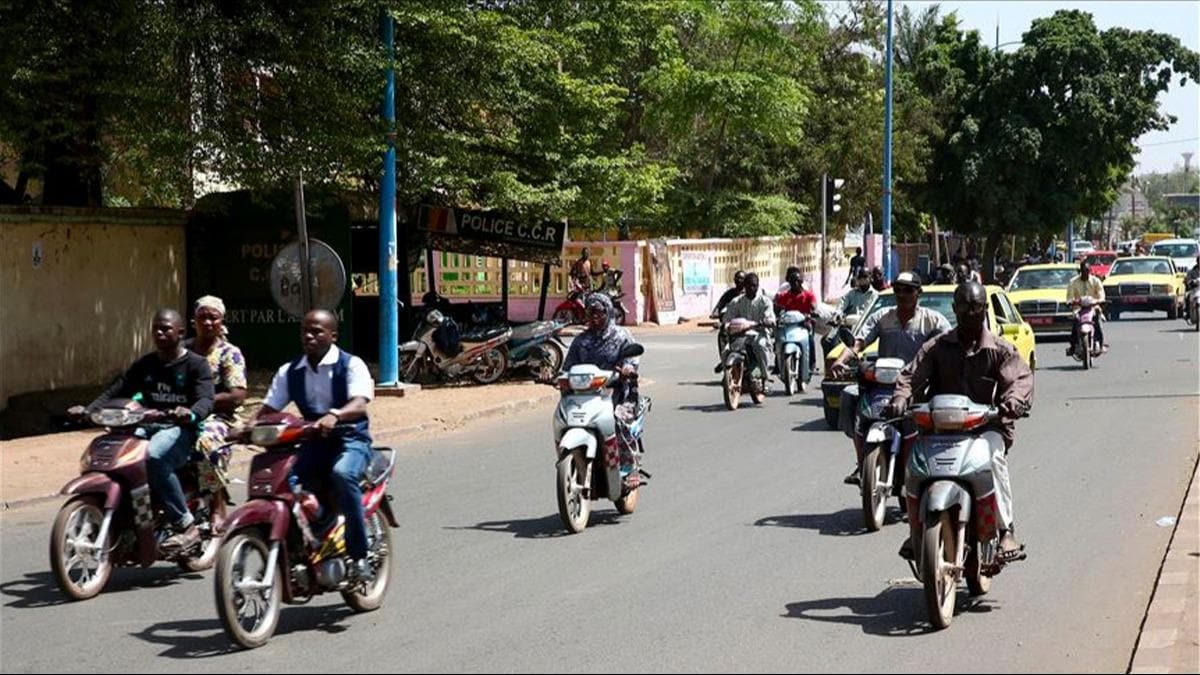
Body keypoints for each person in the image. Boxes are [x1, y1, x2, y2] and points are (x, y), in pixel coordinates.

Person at [888, 281, 1033, 562]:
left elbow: (1020, 379)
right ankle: (917, 528)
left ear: (985, 310)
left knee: (994, 459)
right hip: (939, 429)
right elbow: (910, 375)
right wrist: (901, 397)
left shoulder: (1001, 350)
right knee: (914, 465)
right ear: (955, 309)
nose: (969, 313)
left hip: (986, 429)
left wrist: (1012, 402)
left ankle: (1005, 530)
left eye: (975, 307)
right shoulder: (937, 347)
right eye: (963, 307)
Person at [68, 309, 214, 551]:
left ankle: (185, 524)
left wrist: (189, 413)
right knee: (116, 455)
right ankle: (126, 518)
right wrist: (88, 410)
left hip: (180, 429)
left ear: (180, 332)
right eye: (155, 328)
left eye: (165, 328)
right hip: (144, 425)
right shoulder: (146, 364)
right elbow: (117, 390)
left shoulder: (196, 365)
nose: (159, 332)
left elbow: (206, 400)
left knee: (154, 457)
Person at [257, 309, 377, 582]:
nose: (309, 336)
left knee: (343, 474)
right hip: (312, 442)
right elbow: (268, 408)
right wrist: (246, 428)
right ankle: (317, 525)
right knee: (282, 481)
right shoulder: (290, 371)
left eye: (317, 331)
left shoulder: (351, 364)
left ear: (333, 335)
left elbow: (359, 403)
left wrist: (335, 415)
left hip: (350, 439)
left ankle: (359, 557)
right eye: (305, 331)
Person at [829, 272, 951, 485]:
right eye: (898, 290)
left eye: (908, 290)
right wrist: (841, 361)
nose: (902, 295)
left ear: (918, 293)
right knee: (849, 397)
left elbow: (949, 346)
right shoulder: (883, 317)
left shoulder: (933, 321)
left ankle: (928, 462)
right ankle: (862, 459)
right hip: (882, 384)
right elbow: (858, 343)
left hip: (915, 386)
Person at [562, 294, 643, 486]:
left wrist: (628, 369)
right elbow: (568, 366)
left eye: (598, 312)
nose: (594, 316)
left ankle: (629, 467)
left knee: (619, 421)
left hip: (617, 392)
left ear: (608, 312)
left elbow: (632, 359)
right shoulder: (581, 341)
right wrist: (554, 376)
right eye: (590, 312)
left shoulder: (621, 336)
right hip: (585, 394)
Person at [185, 296, 247, 531]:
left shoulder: (229, 353)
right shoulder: (183, 350)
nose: (208, 322)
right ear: (194, 321)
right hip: (182, 413)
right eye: (203, 317)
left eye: (213, 317)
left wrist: (201, 403)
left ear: (222, 321)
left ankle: (218, 505)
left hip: (219, 417)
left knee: (206, 444)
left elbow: (237, 395)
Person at [721, 272, 776, 382]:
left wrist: (765, 322)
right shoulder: (736, 301)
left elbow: (770, 318)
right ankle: (727, 374)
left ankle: (764, 376)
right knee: (726, 350)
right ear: (744, 286)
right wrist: (725, 324)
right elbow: (728, 317)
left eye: (754, 285)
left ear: (757, 286)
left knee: (760, 345)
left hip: (760, 333)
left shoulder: (765, 302)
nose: (751, 288)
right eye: (748, 285)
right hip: (740, 335)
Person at [774, 266, 818, 374]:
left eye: (797, 281)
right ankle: (778, 363)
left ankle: (811, 363)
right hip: (789, 324)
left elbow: (814, 305)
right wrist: (777, 312)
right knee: (778, 339)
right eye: (792, 281)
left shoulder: (808, 295)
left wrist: (811, 312)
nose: (795, 284)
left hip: (804, 324)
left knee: (810, 340)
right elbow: (777, 305)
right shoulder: (785, 295)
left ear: (801, 282)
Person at [1066, 259, 1106, 356]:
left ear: (1090, 271)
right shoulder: (1073, 282)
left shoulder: (1095, 281)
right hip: (1078, 308)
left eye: (1087, 271)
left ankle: (1100, 344)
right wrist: (1071, 301)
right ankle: (1073, 346)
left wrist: (1099, 300)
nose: (1085, 273)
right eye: (1083, 271)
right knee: (1075, 324)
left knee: (1097, 323)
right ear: (1080, 271)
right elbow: (1069, 297)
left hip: (1093, 308)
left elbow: (1101, 295)